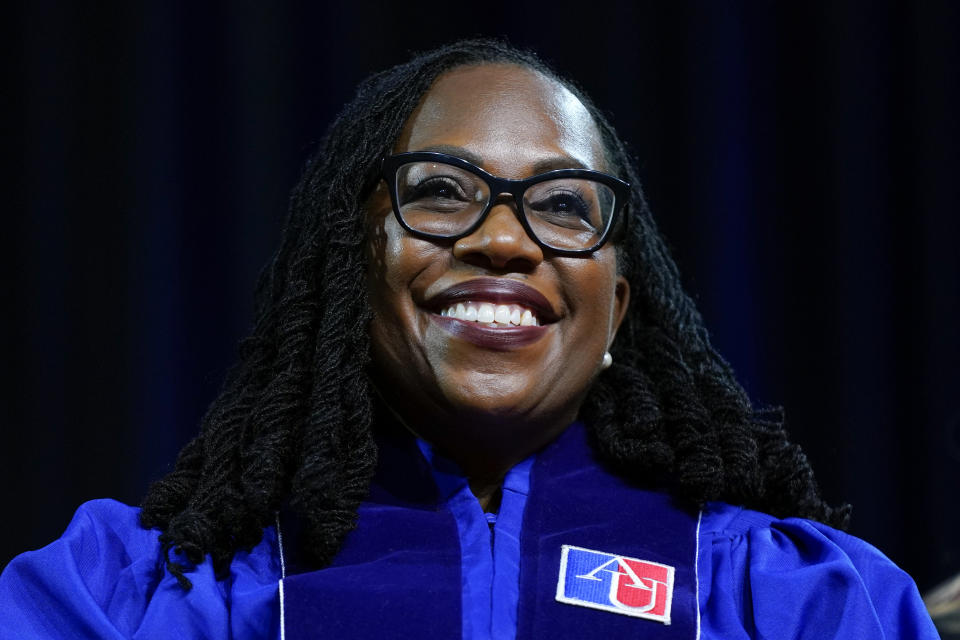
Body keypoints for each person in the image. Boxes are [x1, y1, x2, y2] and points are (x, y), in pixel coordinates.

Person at [0, 39, 939, 639]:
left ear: (615, 305)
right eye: (440, 192)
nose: (502, 237)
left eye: (565, 206)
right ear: (350, 265)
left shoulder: (787, 599)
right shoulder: (147, 595)